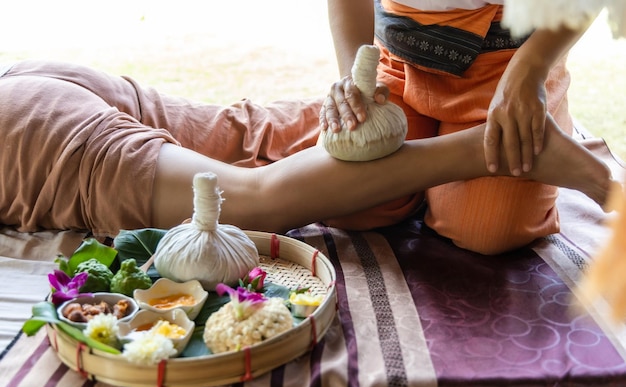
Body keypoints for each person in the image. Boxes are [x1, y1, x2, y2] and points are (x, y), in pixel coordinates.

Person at [0, 60, 613, 254]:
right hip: (28, 88)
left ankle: (497, 149)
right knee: (247, 138)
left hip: (21, 133)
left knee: (241, 205)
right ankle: (428, 137)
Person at [321, 0, 595, 253]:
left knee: (488, 228)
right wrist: (354, 77)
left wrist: (531, 67)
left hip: (512, 61)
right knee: (348, 207)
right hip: (396, 53)